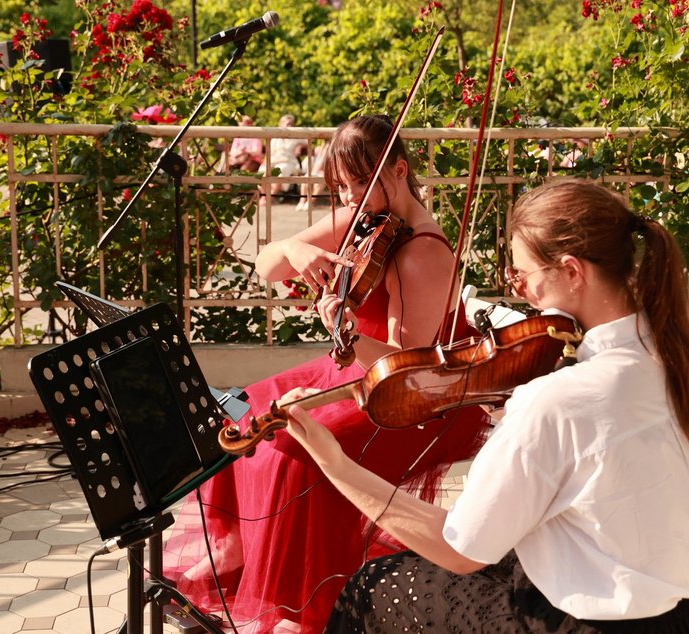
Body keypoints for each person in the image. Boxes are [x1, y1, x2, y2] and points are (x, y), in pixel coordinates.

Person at [279, 179, 689, 633]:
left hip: (610, 625)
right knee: (512, 552)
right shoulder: (670, 355)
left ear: (573, 272)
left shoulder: (557, 399)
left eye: (524, 275)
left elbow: (458, 550)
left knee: (377, 584)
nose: (520, 291)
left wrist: (334, 463)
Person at [163, 114, 490, 633]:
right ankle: (235, 548)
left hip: (414, 397)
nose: (350, 196)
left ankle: (301, 607)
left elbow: (405, 372)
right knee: (244, 405)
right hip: (354, 369)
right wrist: (292, 248)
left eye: (359, 182)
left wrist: (343, 329)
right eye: (340, 185)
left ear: (398, 170)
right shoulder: (364, 217)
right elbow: (269, 265)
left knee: (298, 447)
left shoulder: (423, 252)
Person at [261, 113, 306, 197]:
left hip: (289, 162)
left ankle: (269, 198)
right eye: (288, 124)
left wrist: (300, 146)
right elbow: (269, 152)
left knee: (280, 170)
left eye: (292, 124)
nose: (290, 126)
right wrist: (265, 162)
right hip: (273, 161)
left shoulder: (296, 136)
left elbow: (308, 143)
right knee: (262, 170)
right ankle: (266, 196)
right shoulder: (274, 137)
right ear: (281, 124)